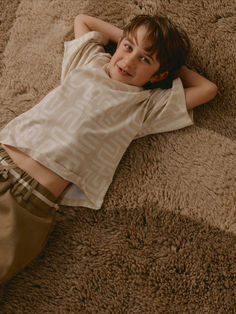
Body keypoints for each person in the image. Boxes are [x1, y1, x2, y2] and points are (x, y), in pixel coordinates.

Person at [0, 13, 217, 284]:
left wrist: (169, 64)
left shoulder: (146, 107)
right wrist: (130, 39)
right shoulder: (89, 62)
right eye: (127, 47)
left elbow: (207, 88)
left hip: (31, 202)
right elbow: (83, 20)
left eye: (145, 59)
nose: (128, 61)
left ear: (159, 74)